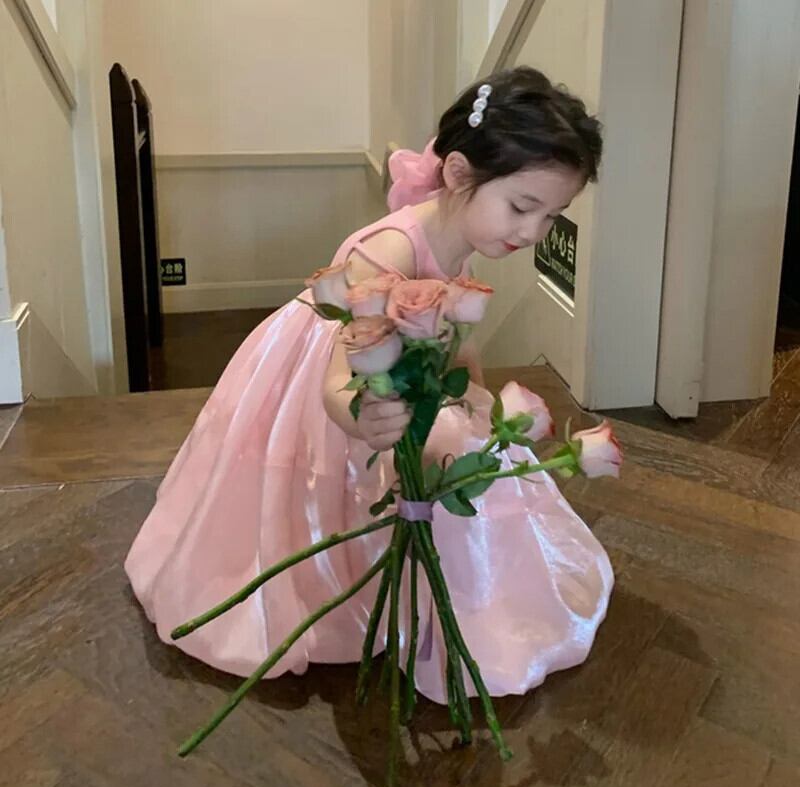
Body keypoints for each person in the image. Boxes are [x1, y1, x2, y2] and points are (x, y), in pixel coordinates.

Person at [125, 66, 613, 703]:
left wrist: (474, 394)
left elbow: (458, 334)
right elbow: (339, 379)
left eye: (551, 217)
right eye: (523, 208)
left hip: (394, 376)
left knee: (466, 459)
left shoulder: (463, 233)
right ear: (458, 174)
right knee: (346, 481)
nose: (533, 233)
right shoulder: (389, 252)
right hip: (343, 378)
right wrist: (360, 420)